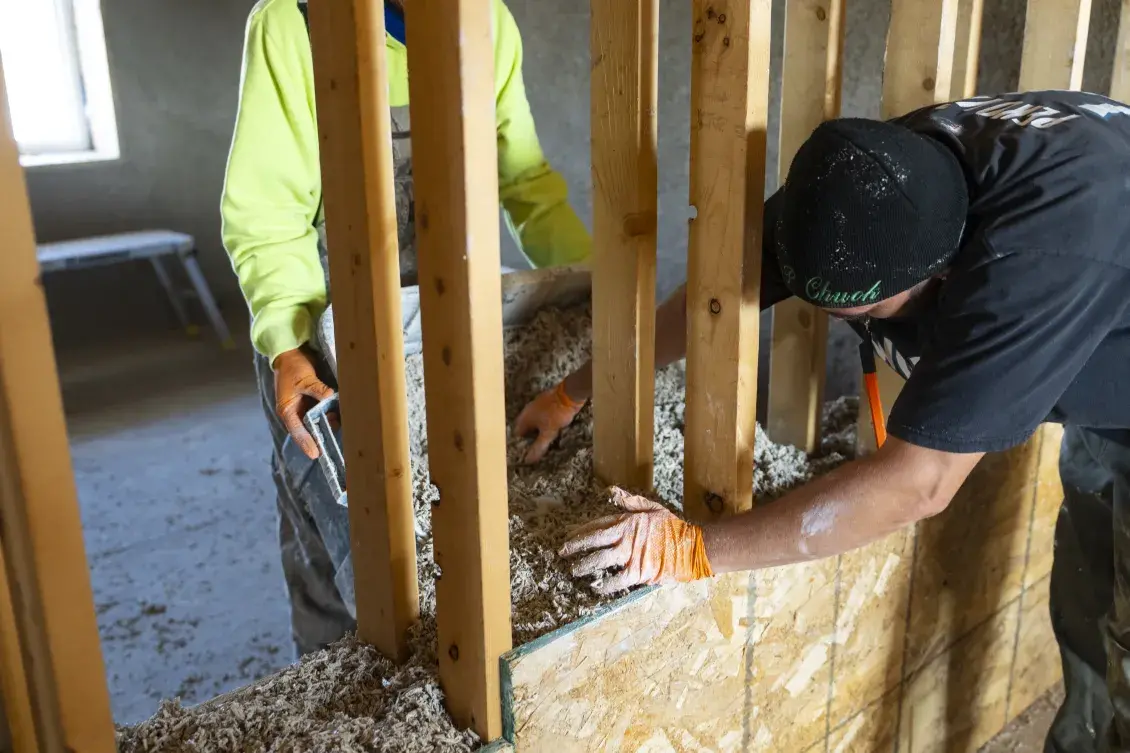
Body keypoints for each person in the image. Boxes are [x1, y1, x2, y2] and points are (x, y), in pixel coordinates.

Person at [517, 90, 1130, 753]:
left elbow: (918, 485)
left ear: (943, 273)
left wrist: (695, 549)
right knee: (1093, 602)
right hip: (1106, 346)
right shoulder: (859, 185)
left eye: (859, 314)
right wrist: (572, 391)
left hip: (1098, 260)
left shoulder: (1030, 267)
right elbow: (711, 298)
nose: (841, 322)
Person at [220, 0, 590, 658]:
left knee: (437, 541)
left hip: (439, 320)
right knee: (335, 537)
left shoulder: (487, 21)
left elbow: (526, 179)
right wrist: (285, 338)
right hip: (321, 331)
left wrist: (597, 280)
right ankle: (331, 680)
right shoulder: (298, 23)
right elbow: (268, 212)